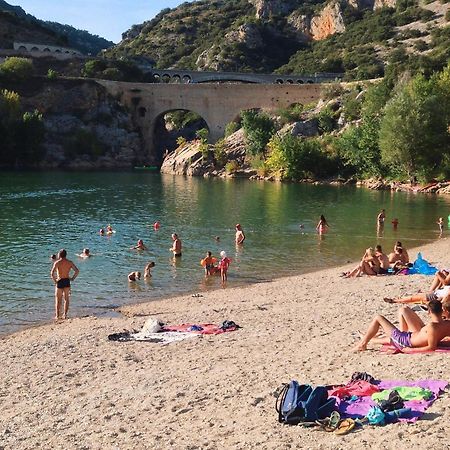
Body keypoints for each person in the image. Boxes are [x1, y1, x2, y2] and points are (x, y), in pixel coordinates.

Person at [354, 299, 450, 353]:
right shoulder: (447, 324)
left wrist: (407, 350)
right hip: (411, 336)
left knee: (378, 318)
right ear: (441, 311)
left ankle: (362, 344)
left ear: (429, 311)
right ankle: (367, 338)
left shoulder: (432, 326)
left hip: (405, 341)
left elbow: (431, 348)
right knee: (403, 310)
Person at [50, 249, 79, 320]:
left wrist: (55, 281)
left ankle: (57, 315)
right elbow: (77, 271)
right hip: (66, 280)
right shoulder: (69, 262)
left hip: (60, 280)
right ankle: (65, 315)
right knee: (66, 299)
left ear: (59, 255)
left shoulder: (57, 263)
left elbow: (52, 273)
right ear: (66, 255)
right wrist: (72, 278)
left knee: (58, 299)